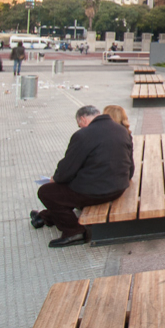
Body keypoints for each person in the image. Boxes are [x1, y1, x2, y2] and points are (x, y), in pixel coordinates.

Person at [30, 105, 134, 247]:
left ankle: (74, 232)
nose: (80, 127)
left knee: (47, 192)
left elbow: (66, 170)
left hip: (96, 192)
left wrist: (55, 179)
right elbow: (131, 168)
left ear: (83, 119)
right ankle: (45, 217)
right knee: (69, 191)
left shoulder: (83, 135)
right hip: (118, 188)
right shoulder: (122, 131)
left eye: (79, 125)